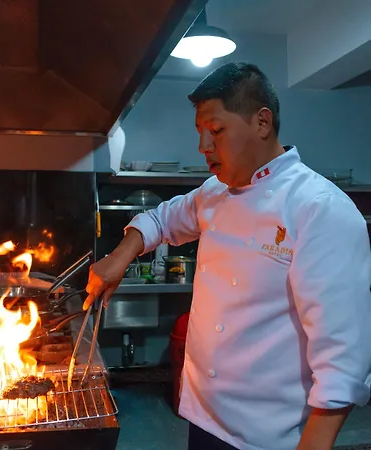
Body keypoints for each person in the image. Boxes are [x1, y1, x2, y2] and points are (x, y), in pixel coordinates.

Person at [84, 62, 371, 450]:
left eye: (215, 130)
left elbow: (342, 359)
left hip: (267, 437)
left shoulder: (319, 208)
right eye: (200, 132)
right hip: (202, 416)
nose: (203, 146)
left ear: (262, 123)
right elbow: (159, 219)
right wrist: (120, 256)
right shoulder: (213, 192)